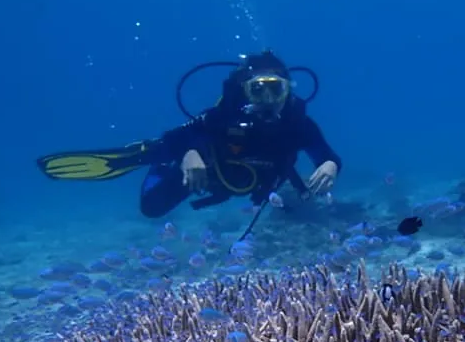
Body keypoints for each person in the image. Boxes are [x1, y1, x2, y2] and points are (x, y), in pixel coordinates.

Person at [36, 50, 342, 220]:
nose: (265, 98)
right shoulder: (226, 114)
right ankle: (147, 158)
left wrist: (331, 165)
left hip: (248, 185)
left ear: (288, 90)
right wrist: (189, 152)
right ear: (244, 90)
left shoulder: (297, 123)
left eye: (274, 88)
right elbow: (179, 135)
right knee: (152, 207)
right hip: (207, 176)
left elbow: (325, 153)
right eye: (256, 89)